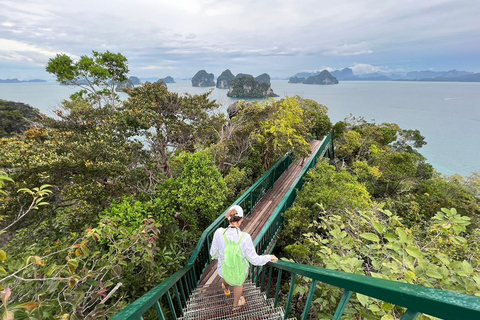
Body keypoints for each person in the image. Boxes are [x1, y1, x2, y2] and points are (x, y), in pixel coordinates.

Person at [210, 205, 278, 308]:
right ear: (241, 220)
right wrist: (269, 257)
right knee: (239, 280)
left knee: (226, 273)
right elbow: (255, 260)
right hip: (238, 271)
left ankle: (226, 287)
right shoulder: (245, 237)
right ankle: (235, 305)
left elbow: (213, 254)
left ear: (229, 218)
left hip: (224, 269)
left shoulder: (219, 233)